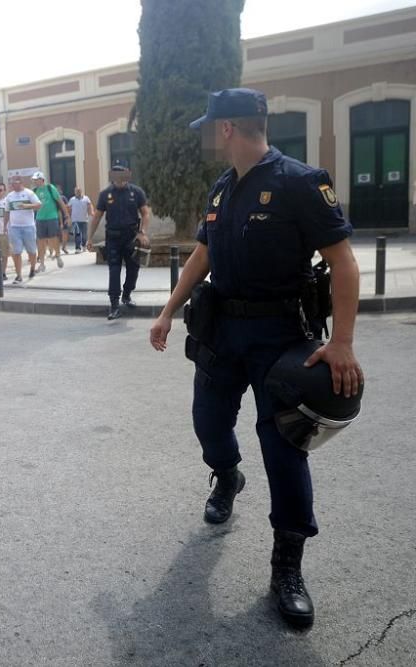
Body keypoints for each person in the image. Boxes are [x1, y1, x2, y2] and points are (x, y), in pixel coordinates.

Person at [149, 88, 363, 629]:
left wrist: (340, 342)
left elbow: (343, 263)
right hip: (222, 329)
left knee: (285, 448)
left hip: (278, 334)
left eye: (209, 128)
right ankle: (226, 475)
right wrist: (168, 309)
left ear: (226, 129)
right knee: (209, 423)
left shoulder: (299, 181)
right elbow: (203, 252)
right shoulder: (224, 187)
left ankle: (287, 567)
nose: (207, 136)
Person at [86, 165, 151, 319]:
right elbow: (97, 217)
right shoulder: (105, 194)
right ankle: (114, 305)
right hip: (113, 239)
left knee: (133, 269)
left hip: (132, 237)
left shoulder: (136, 192)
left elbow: (145, 213)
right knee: (114, 271)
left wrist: (142, 233)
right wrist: (89, 238)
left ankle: (127, 295)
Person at [3, 175, 41, 285]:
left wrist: (26, 206)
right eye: (11, 183)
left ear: (21, 183)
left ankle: (33, 268)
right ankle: (18, 275)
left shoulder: (29, 193)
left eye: (14, 183)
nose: (12, 185)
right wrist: (5, 225)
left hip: (28, 226)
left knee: (32, 251)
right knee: (16, 252)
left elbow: (39, 205)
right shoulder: (9, 196)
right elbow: (7, 211)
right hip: (14, 227)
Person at [30, 171, 70, 271]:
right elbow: (31, 205)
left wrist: (67, 215)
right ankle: (42, 263)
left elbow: (60, 202)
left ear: (42, 180)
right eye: (34, 180)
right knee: (40, 241)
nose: (35, 181)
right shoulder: (34, 191)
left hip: (52, 217)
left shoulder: (50, 188)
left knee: (53, 238)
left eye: (36, 180)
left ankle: (58, 255)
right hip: (40, 218)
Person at [68, 186, 94, 253]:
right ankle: (78, 248)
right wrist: (69, 217)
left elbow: (90, 205)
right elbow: (68, 208)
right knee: (77, 234)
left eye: (79, 191)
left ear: (81, 191)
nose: (78, 192)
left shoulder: (86, 198)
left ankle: (84, 245)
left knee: (84, 235)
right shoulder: (72, 199)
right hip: (75, 220)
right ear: (75, 192)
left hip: (84, 219)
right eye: (76, 191)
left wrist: (91, 212)